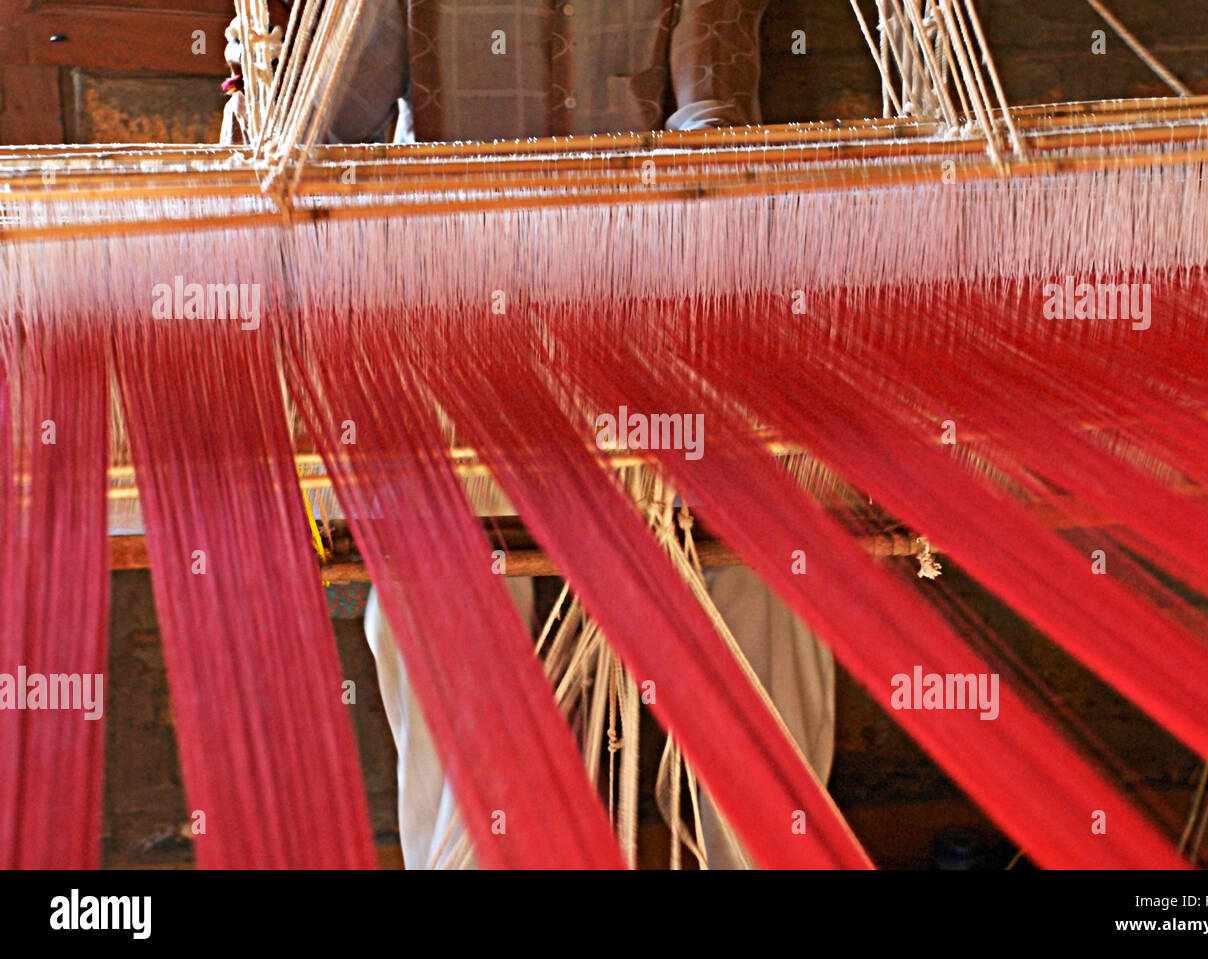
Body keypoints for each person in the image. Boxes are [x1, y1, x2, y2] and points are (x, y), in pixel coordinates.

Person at [224, 0, 835, 870]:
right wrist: (271, 114)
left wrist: (692, 197)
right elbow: (326, 142)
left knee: (765, 566)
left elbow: (716, 120)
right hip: (454, 334)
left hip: (643, 319)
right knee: (442, 579)